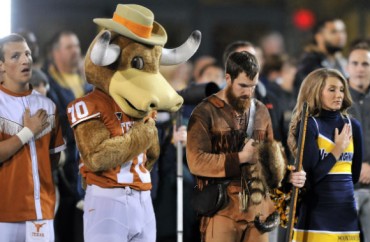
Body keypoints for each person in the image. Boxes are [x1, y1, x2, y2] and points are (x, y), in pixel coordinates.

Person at [186, 51, 305, 242]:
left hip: (258, 208)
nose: (248, 93)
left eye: (253, 86)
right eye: (243, 85)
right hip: (222, 208)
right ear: (228, 78)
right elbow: (196, 161)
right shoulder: (204, 112)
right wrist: (241, 158)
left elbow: (271, 159)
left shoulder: (260, 111)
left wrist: (288, 175)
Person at [0, 34, 65, 241]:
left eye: (27, 53)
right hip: (5, 214)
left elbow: (54, 159)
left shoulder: (48, 106)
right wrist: (28, 132)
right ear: (1, 65)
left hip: (42, 213)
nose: (25, 60)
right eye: (15, 56)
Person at [287, 68, 363, 242]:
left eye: (341, 89)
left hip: (347, 215)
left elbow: (355, 176)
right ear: (316, 91)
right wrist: (338, 149)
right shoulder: (309, 125)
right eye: (332, 89)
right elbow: (311, 178)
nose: (339, 95)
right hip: (317, 216)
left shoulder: (353, 126)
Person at [43, 30, 90, 242]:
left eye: (77, 46)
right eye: (69, 47)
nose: (76, 51)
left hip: (87, 163)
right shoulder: (47, 84)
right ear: (55, 53)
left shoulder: (88, 82)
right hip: (64, 166)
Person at [347, 41, 370, 242]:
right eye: (355, 63)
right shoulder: (335, 98)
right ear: (347, 67)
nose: (360, 69)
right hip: (345, 188)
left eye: (365, 64)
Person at [294, 18, 348, 96]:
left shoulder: (344, 62)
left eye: (342, 31)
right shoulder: (309, 64)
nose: (340, 36)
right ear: (319, 37)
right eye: (334, 32)